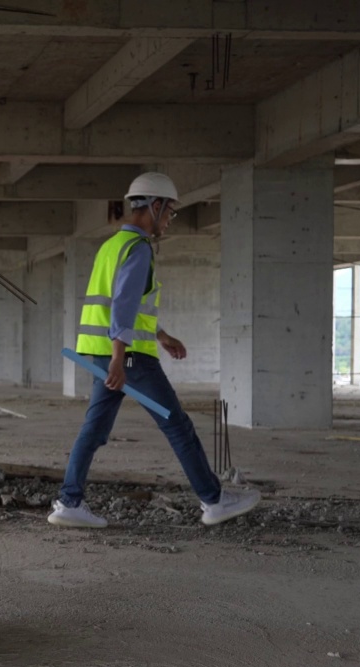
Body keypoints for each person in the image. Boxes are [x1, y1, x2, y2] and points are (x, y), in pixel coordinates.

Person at [49, 172, 260, 529]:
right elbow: (123, 305)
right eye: (170, 212)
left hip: (105, 354)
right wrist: (121, 357)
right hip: (129, 359)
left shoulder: (112, 245)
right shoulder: (139, 248)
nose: (169, 220)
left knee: (95, 427)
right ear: (155, 205)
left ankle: (69, 502)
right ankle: (213, 500)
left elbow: (125, 303)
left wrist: (160, 335)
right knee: (176, 424)